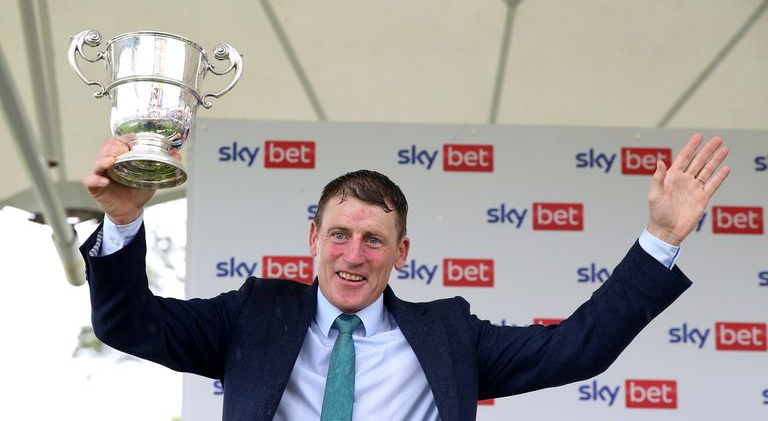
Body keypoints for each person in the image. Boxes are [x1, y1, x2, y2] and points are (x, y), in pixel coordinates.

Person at [80, 133, 729, 421]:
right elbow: (130, 324)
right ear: (313, 240)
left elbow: (577, 347)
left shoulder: (448, 335)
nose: (353, 255)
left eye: (373, 240)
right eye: (339, 234)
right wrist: (125, 222)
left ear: (401, 254)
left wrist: (662, 239)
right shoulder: (254, 313)